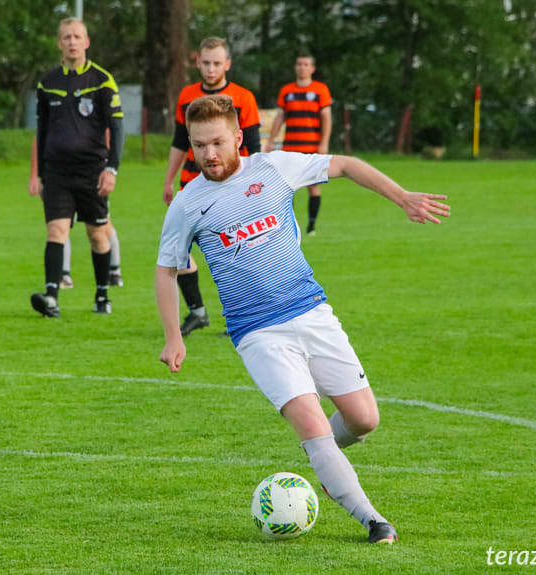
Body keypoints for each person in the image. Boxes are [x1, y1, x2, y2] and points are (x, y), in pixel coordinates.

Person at [156, 95, 450, 543]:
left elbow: (348, 164)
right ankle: (373, 520)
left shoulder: (273, 168)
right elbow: (166, 268)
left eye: (216, 142)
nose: (208, 155)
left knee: (364, 420)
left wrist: (402, 197)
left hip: (312, 312)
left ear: (238, 138)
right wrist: (173, 336)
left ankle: (321, 456)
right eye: (198, 146)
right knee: (314, 424)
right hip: (258, 333)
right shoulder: (187, 203)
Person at [162, 37, 261, 336]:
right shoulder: (187, 96)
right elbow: (180, 142)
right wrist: (169, 178)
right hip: (192, 183)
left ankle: (247, 315)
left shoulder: (243, 98)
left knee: (237, 251)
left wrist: (252, 187)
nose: (211, 68)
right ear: (197, 62)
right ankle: (197, 311)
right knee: (177, 249)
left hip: (232, 186)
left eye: (217, 63)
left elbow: (253, 149)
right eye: (206, 62)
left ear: (227, 64)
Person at [29, 17, 124, 317]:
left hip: (92, 172)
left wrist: (112, 169)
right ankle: (51, 297)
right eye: (66, 37)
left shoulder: (102, 81)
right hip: (57, 172)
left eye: (77, 37)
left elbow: (117, 128)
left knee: (97, 235)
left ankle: (102, 295)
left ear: (87, 42)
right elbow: (41, 132)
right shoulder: (47, 83)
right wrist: (40, 174)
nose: (72, 42)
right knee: (56, 231)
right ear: (60, 43)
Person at [28, 138, 124, 289]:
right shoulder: (56, 115)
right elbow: (39, 136)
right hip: (60, 176)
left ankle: (114, 272)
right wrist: (36, 176)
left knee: (101, 226)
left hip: (91, 176)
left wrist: (108, 168)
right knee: (59, 226)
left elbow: (109, 134)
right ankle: (63, 275)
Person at [264, 54, 332, 235]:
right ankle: (288, 224)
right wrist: (270, 141)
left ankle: (311, 226)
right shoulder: (287, 91)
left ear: (312, 69)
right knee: (287, 187)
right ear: (295, 67)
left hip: (311, 148)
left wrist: (324, 143)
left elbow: (326, 117)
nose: (302, 67)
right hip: (290, 148)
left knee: (313, 186)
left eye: (306, 64)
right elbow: (280, 117)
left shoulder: (320, 90)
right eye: (299, 64)